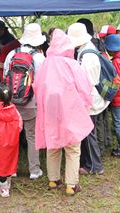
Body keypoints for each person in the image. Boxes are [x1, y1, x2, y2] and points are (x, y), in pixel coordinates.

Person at [33, 29, 93, 195]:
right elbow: (85, 88)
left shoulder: (45, 64)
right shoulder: (71, 64)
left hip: (50, 112)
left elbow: (36, 87)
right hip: (70, 111)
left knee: (53, 145)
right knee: (72, 148)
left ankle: (53, 180)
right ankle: (71, 185)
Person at [4, 23, 46, 180]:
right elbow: (43, 83)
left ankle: (11, 169)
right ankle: (34, 170)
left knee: (13, 136)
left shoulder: (11, 54)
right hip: (31, 103)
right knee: (31, 136)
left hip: (12, 103)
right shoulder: (40, 57)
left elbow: (5, 79)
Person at [68, 22, 109, 175]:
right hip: (89, 99)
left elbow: (88, 83)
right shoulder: (86, 50)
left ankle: (95, 166)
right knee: (88, 133)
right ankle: (89, 163)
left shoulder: (88, 55)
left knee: (88, 133)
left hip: (89, 100)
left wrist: (83, 104)